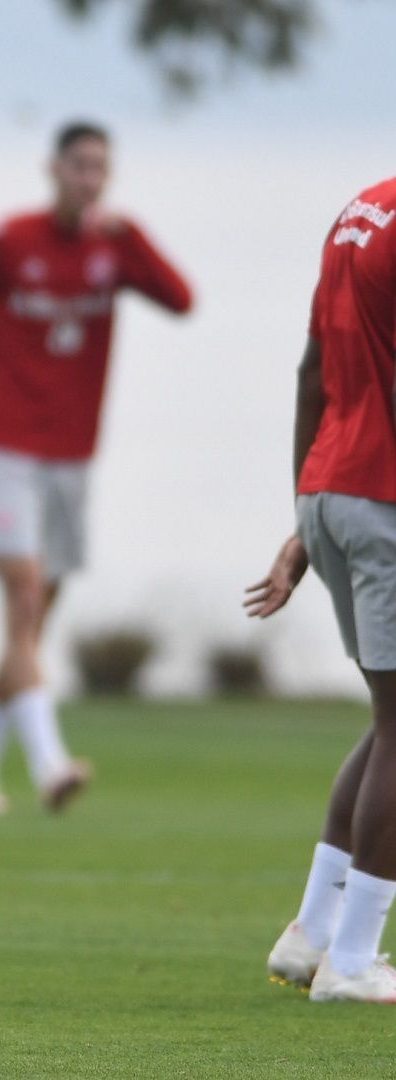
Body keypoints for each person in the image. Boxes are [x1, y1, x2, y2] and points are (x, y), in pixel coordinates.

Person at [0, 121, 192, 816]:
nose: (89, 178)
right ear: (52, 168)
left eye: (100, 168)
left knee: (31, 623)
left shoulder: (114, 247)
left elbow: (181, 298)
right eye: (79, 165)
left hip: (74, 458)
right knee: (23, 601)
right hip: (6, 447)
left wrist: (129, 236)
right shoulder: (5, 241)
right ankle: (52, 765)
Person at [248, 176, 396, 1004]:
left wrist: (307, 515)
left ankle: (312, 935)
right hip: (384, 492)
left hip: (337, 485)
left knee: (389, 721)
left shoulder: (361, 209)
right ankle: (352, 962)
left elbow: (315, 369)